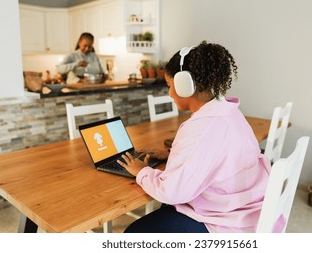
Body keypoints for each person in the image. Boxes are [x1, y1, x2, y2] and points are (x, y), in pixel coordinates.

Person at [117, 40, 274, 233]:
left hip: (228, 222)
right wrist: (173, 155)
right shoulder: (229, 111)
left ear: (185, 85)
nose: (170, 93)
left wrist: (141, 171)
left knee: (133, 233)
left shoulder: (203, 129)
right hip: (245, 207)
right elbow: (215, 156)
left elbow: (172, 192)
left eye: (169, 85)